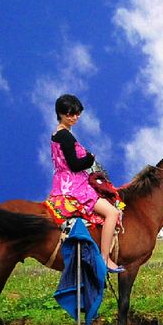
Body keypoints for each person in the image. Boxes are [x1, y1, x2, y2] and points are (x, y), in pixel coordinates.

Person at [50, 93, 125, 272]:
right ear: (60, 114)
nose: (74, 117)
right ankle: (105, 258)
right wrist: (90, 159)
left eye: (76, 114)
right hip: (75, 186)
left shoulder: (57, 135)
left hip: (61, 182)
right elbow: (75, 165)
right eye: (70, 114)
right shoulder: (66, 136)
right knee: (112, 213)